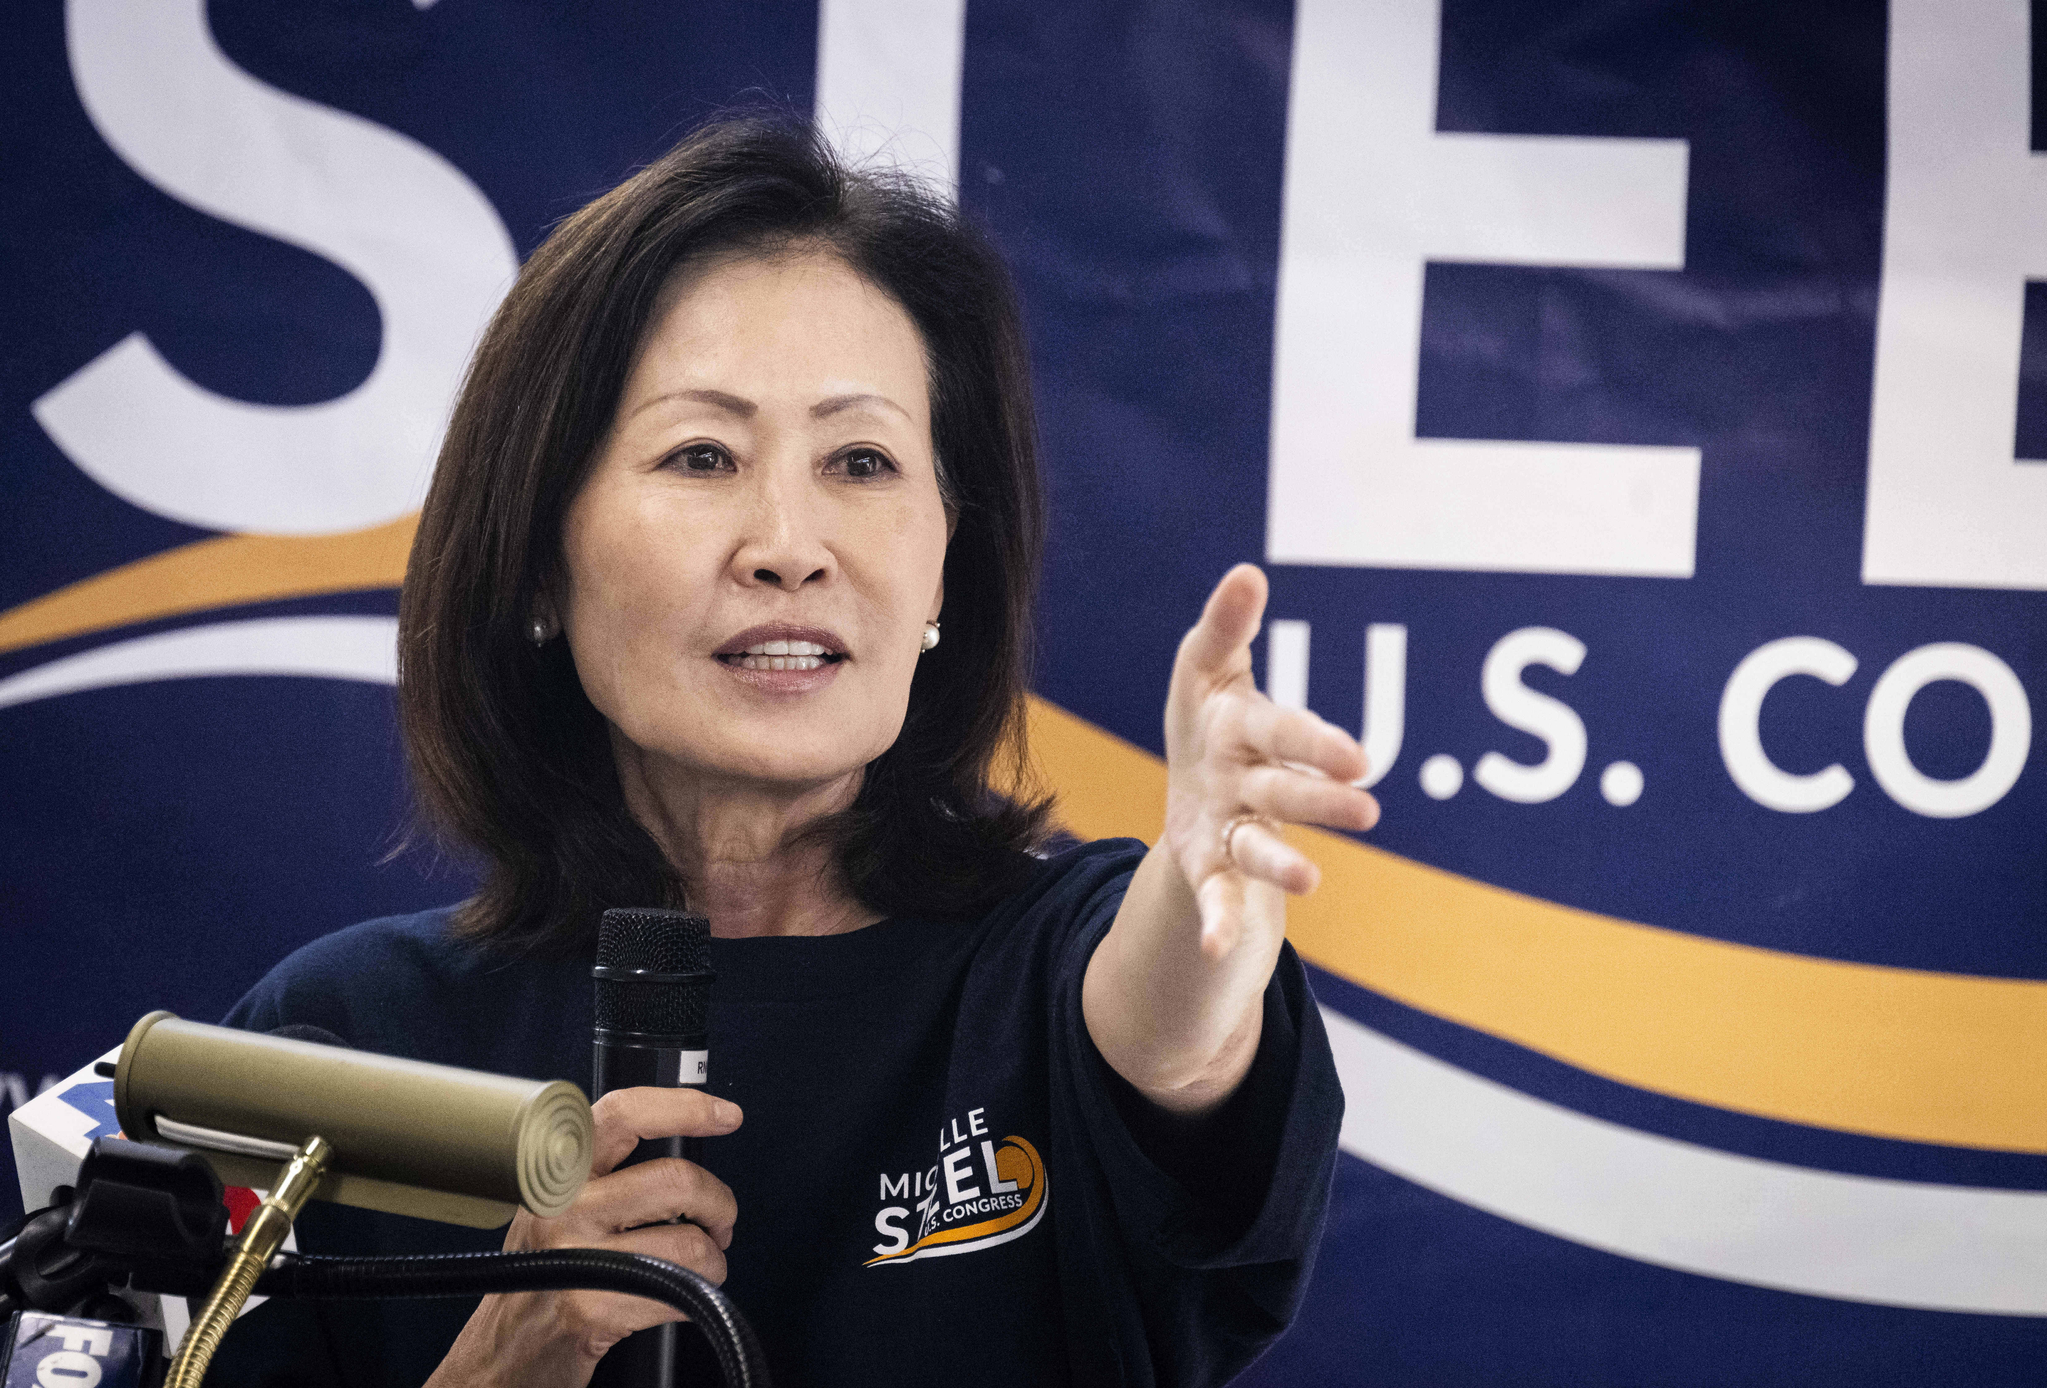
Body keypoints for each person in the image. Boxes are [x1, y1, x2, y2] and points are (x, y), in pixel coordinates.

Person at [216, 116, 1378, 1388]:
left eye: (862, 460)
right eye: (702, 455)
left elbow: (1172, 1030)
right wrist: (506, 1357)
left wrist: (1205, 912)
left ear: (946, 563)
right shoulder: (337, 1042)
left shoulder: (1049, 961)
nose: (788, 543)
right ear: (541, 557)